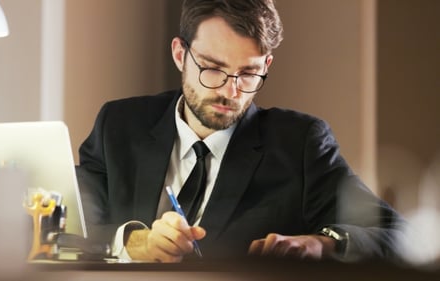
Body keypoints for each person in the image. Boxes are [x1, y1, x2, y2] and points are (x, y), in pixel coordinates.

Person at [76, 0, 404, 263]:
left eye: (248, 74)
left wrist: (322, 244)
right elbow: (63, 228)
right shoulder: (119, 125)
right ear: (180, 55)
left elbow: (399, 234)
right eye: (213, 68)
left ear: (266, 66)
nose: (231, 92)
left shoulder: (300, 144)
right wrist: (131, 242)